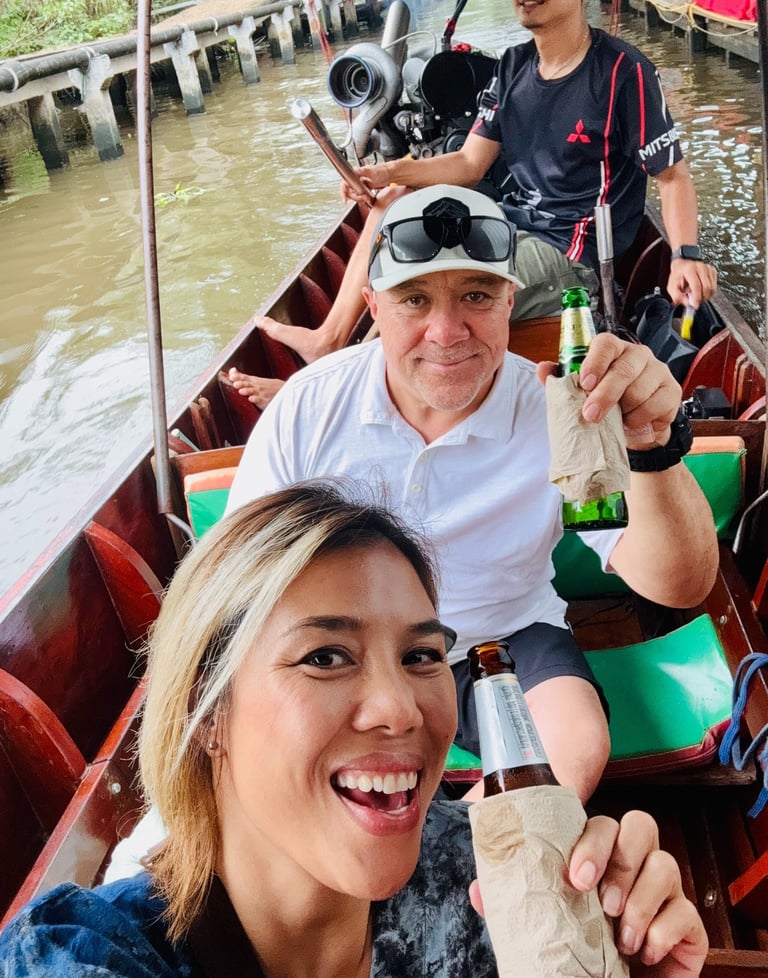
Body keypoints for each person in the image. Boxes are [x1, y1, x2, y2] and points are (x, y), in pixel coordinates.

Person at [0, 482, 709, 976]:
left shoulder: (494, 880)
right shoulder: (84, 954)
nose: (401, 709)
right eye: (325, 657)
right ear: (206, 713)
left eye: (422, 656)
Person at [223, 184, 718, 805]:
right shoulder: (308, 406)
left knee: (574, 742)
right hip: (349, 645)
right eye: (415, 299)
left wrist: (651, 448)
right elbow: (236, 582)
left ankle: (457, 846)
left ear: (510, 299)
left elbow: (680, 585)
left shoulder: (560, 410)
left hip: (503, 636)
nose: (447, 332)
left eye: (476, 296)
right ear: (373, 305)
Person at [229, 0, 718, 408]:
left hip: (571, 249)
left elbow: (672, 176)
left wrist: (685, 255)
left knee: (437, 284)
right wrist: (387, 173)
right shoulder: (513, 66)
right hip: (511, 221)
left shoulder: (622, 72)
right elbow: (468, 162)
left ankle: (321, 394)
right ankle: (330, 341)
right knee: (396, 205)